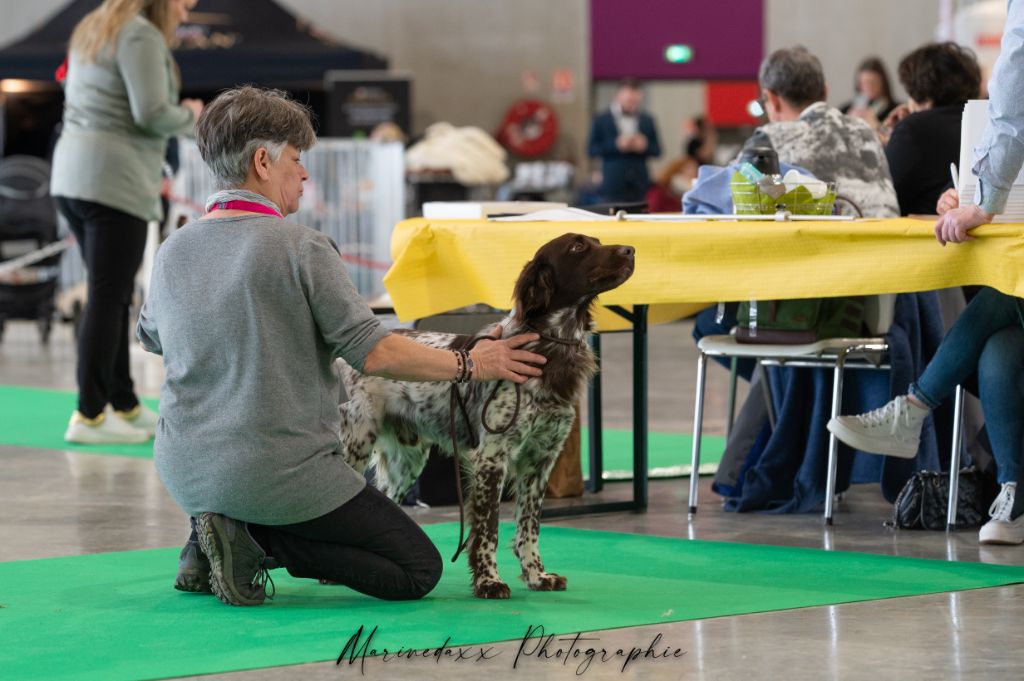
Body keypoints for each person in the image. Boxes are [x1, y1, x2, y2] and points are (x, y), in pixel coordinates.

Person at [137, 86, 547, 606]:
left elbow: (150, 337)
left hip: (183, 469)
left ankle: (207, 533)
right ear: (263, 161)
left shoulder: (173, 250)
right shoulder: (302, 247)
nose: (304, 174)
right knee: (416, 570)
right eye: (296, 159)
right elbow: (375, 353)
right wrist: (472, 362)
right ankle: (252, 540)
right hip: (278, 471)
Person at [829, 0, 1024, 545]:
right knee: (1001, 341)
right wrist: (973, 196)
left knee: (1006, 301)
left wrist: (979, 201)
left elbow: (1013, 108)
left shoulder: (913, 132)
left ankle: (913, 409)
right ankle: (1010, 496)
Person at [51, 0, 203, 444]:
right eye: (182, 2)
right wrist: (193, 115)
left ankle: (123, 403)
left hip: (74, 179)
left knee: (112, 296)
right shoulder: (138, 33)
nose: (185, 13)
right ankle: (89, 414)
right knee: (108, 295)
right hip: (113, 184)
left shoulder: (94, 27)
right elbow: (152, 114)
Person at [883, 42, 981, 215]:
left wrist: (896, 134)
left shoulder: (912, 130)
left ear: (925, 96)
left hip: (926, 237)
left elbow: (884, 201)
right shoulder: (983, 122)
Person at [587, 78, 662, 205]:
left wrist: (644, 146)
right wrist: (616, 145)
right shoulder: (601, 119)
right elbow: (591, 150)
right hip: (613, 182)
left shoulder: (647, 119)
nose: (631, 103)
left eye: (635, 101)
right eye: (628, 100)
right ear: (618, 96)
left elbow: (658, 150)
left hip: (639, 183)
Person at [646, 116, 717, 212]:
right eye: (689, 168)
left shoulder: (695, 190)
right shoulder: (662, 192)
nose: (693, 171)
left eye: (695, 169)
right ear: (680, 170)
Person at [841, 56, 899, 130]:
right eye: (865, 82)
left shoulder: (896, 112)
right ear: (858, 84)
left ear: (883, 83)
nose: (869, 87)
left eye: (874, 82)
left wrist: (877, 126)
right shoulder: (845, 110)